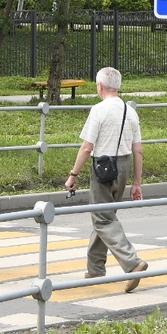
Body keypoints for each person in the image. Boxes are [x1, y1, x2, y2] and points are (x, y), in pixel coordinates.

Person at [63, 67, 149, 293]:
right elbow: (138, 150)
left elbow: (86, 147)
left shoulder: (99, 110)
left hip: (102, 167)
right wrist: (137, 182)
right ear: (117, 86)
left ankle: (132, 263)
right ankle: (95, 269)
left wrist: (73, 175)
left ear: (99, 86)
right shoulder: (130, 111)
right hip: (124, 166)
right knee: (105, 217)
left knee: (103, 219)